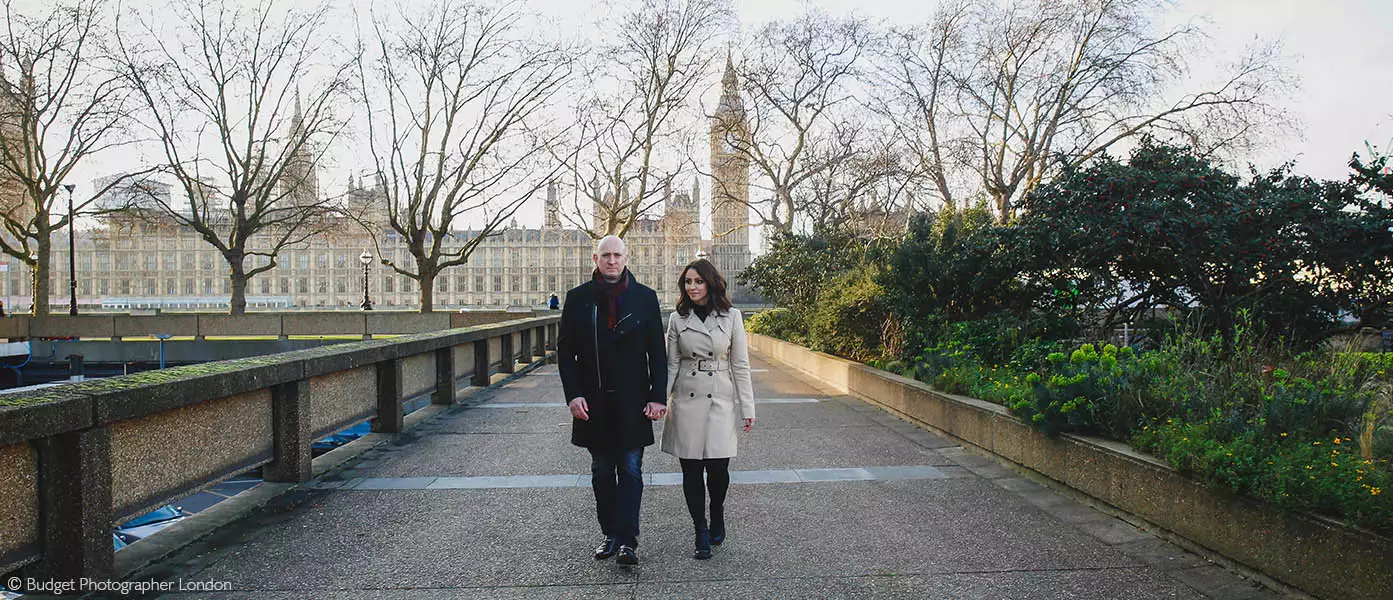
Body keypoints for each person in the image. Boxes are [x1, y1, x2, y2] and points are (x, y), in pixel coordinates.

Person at [557, 235, 667, 566]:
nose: (612, 260)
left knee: (631, 471)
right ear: (595, 258)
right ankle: (610, 533)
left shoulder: (645, 298)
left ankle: (628, 541)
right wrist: (573, 394)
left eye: (617, 255)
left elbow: (657, 355)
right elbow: (565, 352)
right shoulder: (578, 299)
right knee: (602, 472)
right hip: (593, 402)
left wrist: (657, 396)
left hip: (632, 402)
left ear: (627, 257)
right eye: (606, 255)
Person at [660, 258, 755, 560]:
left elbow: (740, 364)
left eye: (698, 281)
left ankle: (717, 510)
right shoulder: (677, 319)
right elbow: (671, 363)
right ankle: (700, 530)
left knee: (718, 469)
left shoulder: (732, 317)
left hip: (720, 398)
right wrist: (660, 401)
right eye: (688, 282)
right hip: (686, 398)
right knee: (690, 469)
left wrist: (747, 407)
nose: (692, 287)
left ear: (710, 283)